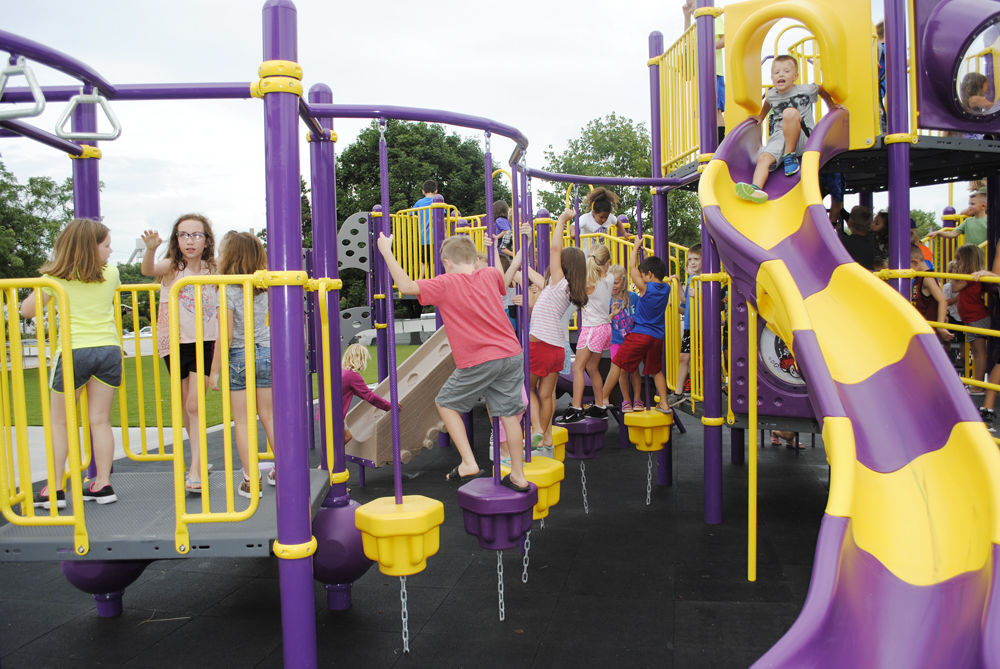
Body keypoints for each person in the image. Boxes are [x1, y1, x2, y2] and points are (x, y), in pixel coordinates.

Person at [376, 227, 533, 493]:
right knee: (508, 415)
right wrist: (494, 250)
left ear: (446, 262)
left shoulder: (445, 283)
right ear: (474, 259)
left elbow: (405, 286)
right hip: (511, 353)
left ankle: (468, 462)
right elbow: (500, 279)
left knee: (445, 403)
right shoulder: (490, 274)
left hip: (481, 358)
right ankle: (518, 475)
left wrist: (386, 252)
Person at [22, 219, 122, 507]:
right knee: (100, 420)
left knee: (59, 422)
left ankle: (54, 489)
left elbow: (27, 311)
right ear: (90, 248)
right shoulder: (111, 273)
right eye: (106, 245)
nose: (111, 250)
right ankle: (102, 484)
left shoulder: (56, 277)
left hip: (74, 350)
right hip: (108, 349)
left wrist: (45, 282)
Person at [141, 214, 218, 493]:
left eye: (196, 235)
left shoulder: (213, 269)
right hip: (173, 342)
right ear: (176, 239)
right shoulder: (173, 268)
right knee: (186, 405)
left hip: (204, 340)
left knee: (195, 404)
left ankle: (196, 469)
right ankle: (199, 457)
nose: (189, 240)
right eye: (183, 235)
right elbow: (148, 270)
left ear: (207, 240)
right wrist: (150, 248)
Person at [205, 233, 275, 498]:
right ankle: (284, 471)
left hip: (239, 356)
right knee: (268, 415)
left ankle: (250, 479)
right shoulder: (265, 286)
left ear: (231, 256)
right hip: (266, 351)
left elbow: (228, 334)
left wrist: (214, 371)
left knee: (243, 421)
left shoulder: (228, 288)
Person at [735, 55, 837, 203]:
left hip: (803, 138)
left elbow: (820, 89)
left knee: (789, 113)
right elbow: (768, 104)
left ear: (795, 76)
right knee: (763, 158)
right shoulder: (771, 95)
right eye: (776, 73)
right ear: (772, 77)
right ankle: (756, 189)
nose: (781, 74)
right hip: (779, 137)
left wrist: (831, 105)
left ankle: (789, 157)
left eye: (786, 71)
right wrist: (761, 117)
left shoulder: (806, 90)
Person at [528, 209, 588, 445]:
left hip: (540, 345)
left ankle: (537, 430)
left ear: (563, 265)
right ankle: (545, 435)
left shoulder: (558, 282)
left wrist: (562, 221)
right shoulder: (569, 289)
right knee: (546, 394)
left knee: (527, 389)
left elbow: (554, 249)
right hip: (556, 349)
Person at [600, 238, 672, 413]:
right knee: (656, 371)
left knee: (617, 363)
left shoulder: (646, 288)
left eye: (643, 274)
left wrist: (635, 249)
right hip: (657, 337)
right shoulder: (666, 288)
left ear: (648, 275)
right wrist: (646, 256)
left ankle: (602, 397)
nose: (640, 276)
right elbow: (649, 271)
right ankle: (664, 403)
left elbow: (632, 269)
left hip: (640, 334)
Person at [562, 244, 614, 422]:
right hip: (604, 328)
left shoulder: (589, 284)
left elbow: (574, 296)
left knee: (578, 367)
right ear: (607, 263)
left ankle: (576, 408)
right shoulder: (610, 278)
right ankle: (600, 406)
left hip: (592, 328)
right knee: (592, 368)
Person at [952, 243, 990, 394]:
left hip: (977, 317)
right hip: (971, 318)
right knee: (976, 351)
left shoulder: (970, 276)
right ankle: (977, 383)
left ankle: (978, 385)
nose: (956, 262)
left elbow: (955, 287)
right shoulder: (970, 276)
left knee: (979, 352)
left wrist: (955, 270)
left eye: (958, 259)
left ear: (966, 260)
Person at [669, 245, 702, 406]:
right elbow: (685, 300)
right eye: (690, 260)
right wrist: (677, 283)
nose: (692, 262)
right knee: (684, 357)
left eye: (696, 259)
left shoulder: (706, 279)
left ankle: (699, 389)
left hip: (702, 327)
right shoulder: (691, 279)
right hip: (690, 326)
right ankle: (679, 392)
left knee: (700, 359)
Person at [338, 343, 390, 442]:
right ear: (360, 359)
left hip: (325, 412)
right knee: (345, 437)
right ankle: (334, 456)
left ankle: (332, 455)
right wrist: (389, 406)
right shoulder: (352, 376)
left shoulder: (342, 371)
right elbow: (370, 397)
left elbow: (359, 392)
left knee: (342, 437)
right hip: (335, 416)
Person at [608, 264, 642, 411]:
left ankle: (637, 399)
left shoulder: (632, 298)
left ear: (623, 282)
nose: (613, 286)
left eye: (616, 283)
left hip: (631, 341)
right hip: (616, 341)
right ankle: (626, 400)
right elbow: (604, 320)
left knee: (633, 370)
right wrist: (612, 314)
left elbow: (640, 316)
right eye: (610, 283)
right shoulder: (607, 300)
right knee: (621, 370)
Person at [908, 244, 954, 344]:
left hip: (929, 330)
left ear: (915, 262)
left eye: (907, 267)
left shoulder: (927, 278)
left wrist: (940, 326)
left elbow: (942, 300)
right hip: (921, 328)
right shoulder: (918, 277)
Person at [838, 206, 876, 270]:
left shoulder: (843, 243)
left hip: (852, 277)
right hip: (870, 277)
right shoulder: (873, 240)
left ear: (849, 223)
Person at [413, 179, 438, 278]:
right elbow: (442, 216)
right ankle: (436, 279)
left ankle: (420, 279)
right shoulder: (437, 202)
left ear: (423, 191)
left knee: (424, 261)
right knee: (435, 261)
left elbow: (411, 213)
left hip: (424, 238)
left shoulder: (419, 203)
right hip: (436, 237)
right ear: (436, 191)